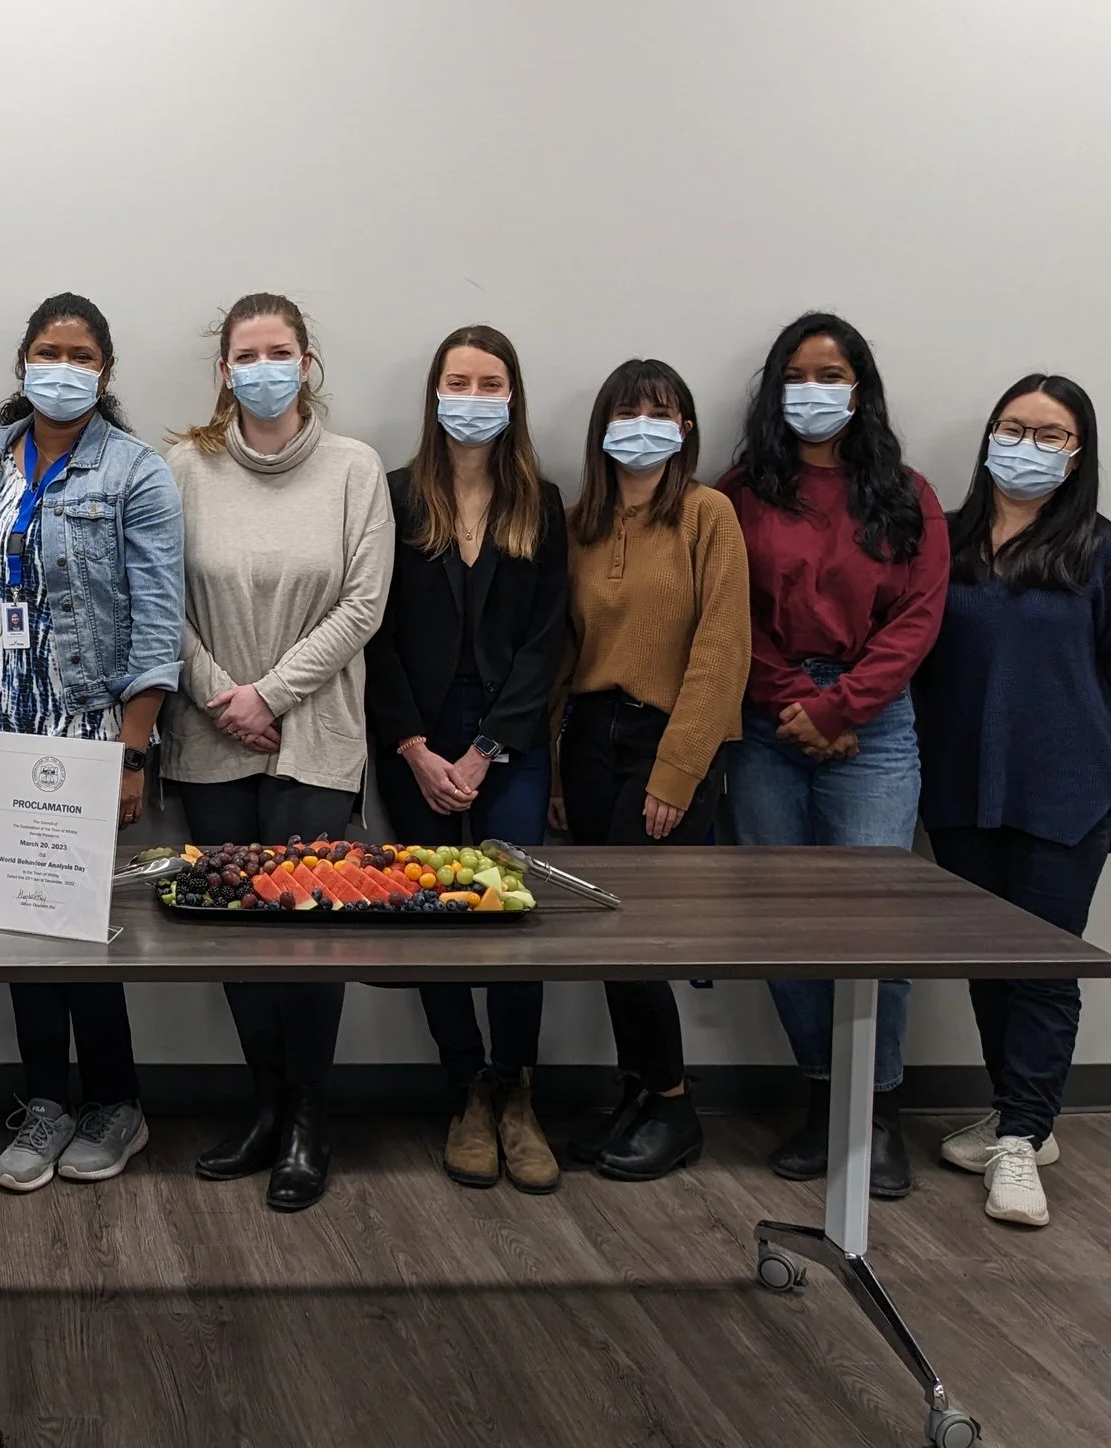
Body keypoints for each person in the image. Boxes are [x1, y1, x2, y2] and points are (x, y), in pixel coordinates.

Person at [163, 294, 391, 1213]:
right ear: (223, 370)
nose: (264, 366)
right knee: (233, 935)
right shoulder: (183, 467)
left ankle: (308, 1118)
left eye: (280, 350)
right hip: (209, 733)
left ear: (308, 363)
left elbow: (364, 603)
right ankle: (262, 1105)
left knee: (307, 933)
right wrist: (225, 694)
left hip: (316, 736)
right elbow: (158, 600)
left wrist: (270, 695)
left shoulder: (353, 468)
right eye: (246, 353)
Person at [915, 375, 1111, 1229]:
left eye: (1048, 433)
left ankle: (1022, 1138)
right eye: (1013, 427)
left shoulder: (1101, 551)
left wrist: (1067, 733)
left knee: (1047, 968)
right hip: (960, 792)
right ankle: (1018, 1114)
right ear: (988, 436)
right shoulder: (943, 542)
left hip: (1064, 796)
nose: (1026, 443)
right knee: (989, 963)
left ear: (1077, 450)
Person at [0, 294, 183, 1194]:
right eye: (47, 350)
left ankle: (117, 1103)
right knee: (15, 922)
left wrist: (132, 751)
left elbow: (159, 622)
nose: (62, 365)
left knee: (83, 928)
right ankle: (47, 1100)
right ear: (21, 363)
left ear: (105, 370)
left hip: (86, 729)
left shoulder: (136, 473)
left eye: (80, 353)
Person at [719, 313, 947, 1201]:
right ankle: (823, 1097)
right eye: (800, 374)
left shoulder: (906, 493)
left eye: (833, 372)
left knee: (874, 925)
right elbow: (728, 608)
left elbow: (920, 617)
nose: (816, 389)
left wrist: (845, 704)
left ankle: (876, 1112)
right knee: (783, 924)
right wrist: (794, 702)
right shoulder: (743, 492)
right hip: (771, 719)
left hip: (874, 722)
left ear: (861, 388)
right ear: (777, 389)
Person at [366, 325, 569, 1195]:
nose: (474, 395)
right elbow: (373, 630)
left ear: (513, 395)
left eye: (491, 381)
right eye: (459, 379)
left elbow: (548, 639)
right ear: (434, 392)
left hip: (508, 737)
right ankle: (465, 1089)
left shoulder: (542, 500)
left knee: (513, 908)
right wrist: (414, 747)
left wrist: (487, 751)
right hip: (414, 729)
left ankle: (516, 1091)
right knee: (431, 909)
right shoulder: (394, 494)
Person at [550, 359, 750, 1182]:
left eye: (659, 411)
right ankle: (636, 1092)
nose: (641, 424)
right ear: (602, 426)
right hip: (590, 738)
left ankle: (674, 1104)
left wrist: (676, 772)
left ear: (686, 427)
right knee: (603, 933)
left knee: (637, 935)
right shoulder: (580, 521)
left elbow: (721, 649)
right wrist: (560, 769)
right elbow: (565, 649)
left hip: (670, 744)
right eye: (626, 410)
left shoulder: (709, 515)